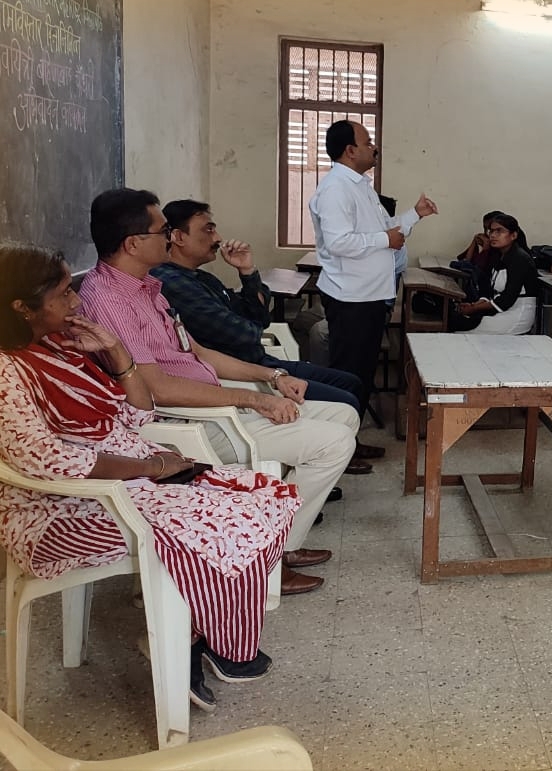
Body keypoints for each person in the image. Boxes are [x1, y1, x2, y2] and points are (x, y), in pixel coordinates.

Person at [0, 242, 300, 710]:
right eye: (63, 293)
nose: (76, 300)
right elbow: (52, 462)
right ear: (22, 306)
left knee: (266, 497)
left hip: (129, 482)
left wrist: (116, 352)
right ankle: (185, 643)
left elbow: (138, 413)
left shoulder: (59, 348)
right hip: (59, 511)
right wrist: (152, 468)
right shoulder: (6, 370)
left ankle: (205, 635)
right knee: (217, 525)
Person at [79, 188, 355, 596]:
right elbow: (157, 389)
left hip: (210, 400)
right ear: (133, 243)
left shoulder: (147, 287)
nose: (169, 237)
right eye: (163, 231)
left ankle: (273, 538)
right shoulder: (109, 300)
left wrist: (274, 375)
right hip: (181, 425)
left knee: (344, 415)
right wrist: (254, 398)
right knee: (333, 444)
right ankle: (272, 558)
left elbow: (200, 353)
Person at [152, 199, 382, 472]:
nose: (218, 238)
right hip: (241, 372)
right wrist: (252, 326)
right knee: (346, 400)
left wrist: (247, 271)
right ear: (178, 237)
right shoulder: (173, 283)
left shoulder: (202, 278)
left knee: (351, 383)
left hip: (261, 361)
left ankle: (347, 446)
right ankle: (331, 454)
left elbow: (260, 318)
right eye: (208, 230)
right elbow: (245, 333)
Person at [309, 119, 438, 417]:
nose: (374, 147)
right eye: (368, 142)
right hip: (351, 298)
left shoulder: (361, 186)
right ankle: (340, 434)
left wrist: (415, 214)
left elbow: (387, 229)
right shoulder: (336, 189)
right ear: (350, 150)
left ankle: (349, 432)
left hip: (369, 296)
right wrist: (385, 239)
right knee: (349, 373)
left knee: (362, 373)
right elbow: (339, 242)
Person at [450, 213, 539, 334]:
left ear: (513, 235)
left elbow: (507, 299)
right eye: (491, 231)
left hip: (516, 313)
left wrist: (475, 308)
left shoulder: (520, 259)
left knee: (460, 330)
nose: (492, 235)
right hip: (499, 308)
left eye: (499, 231)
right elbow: (486, 284)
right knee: (454, 319)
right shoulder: (498, 254)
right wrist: (478, 303)